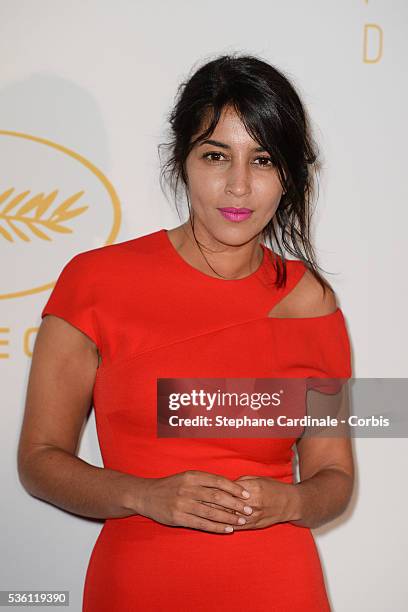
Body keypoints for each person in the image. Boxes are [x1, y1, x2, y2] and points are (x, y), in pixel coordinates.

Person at [17, 53, 354, 611]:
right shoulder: (96, 281)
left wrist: (289, 502)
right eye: (216, 155)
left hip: (279, 585)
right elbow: (40, 459)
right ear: (183, 160)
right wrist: (144, 495)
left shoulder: (310, 301)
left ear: (289, 175)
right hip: (140, 584)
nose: (239, 186)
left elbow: (334, 476)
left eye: (264, 159)